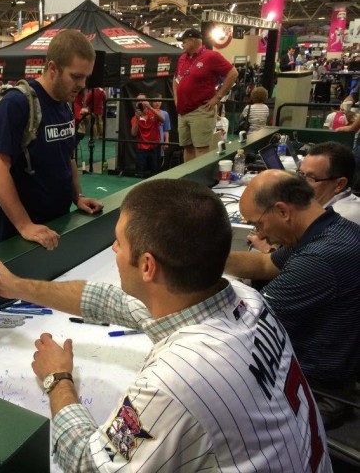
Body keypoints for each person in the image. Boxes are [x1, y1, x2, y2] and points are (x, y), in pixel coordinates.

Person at [0, 179, 332, 473]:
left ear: (147, 266)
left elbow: (90, 464)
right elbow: (109, 301)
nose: (113, 248)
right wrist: (16, 286)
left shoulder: (178, 379)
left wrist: (57, 380)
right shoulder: (243, 298)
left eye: (120, 242)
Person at [225, 170, 360, 428]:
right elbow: (266, 263)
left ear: (283, 211)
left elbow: (244, 326)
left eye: (257, 224)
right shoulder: (333, 229)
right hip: (323, 368)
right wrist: (201, 262)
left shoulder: (321, 259)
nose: (260, 236)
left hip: (313, 389)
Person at [0, 30, 103, 250]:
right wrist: (25, 224)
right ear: (53, 68)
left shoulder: (64, 104)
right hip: (15, 236)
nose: (82, 84)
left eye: (85, 77)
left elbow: (67, 157)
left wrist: (77, 196)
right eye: (76, 76)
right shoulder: (17, 103)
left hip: (53, 227)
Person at [173, 28, 238, 161]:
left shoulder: (211, 56)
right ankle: (188, 179)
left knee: (201, 148)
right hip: (183, 111)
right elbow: (175, 79)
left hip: (201, 110)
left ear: (193, 40)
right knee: (187, 147)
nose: (182, 44)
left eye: (184, 41)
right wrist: (176, 99)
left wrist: (218, 97)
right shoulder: (182, 58)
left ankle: (198, 181)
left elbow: (233, 73)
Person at [130, 93, 164, 178]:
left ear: (147, 101)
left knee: (155, 174)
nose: (141, 102)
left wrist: (150, 107)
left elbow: (163, 119)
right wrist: (137, 119)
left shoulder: (155, 112)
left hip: (154, 148)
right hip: (141, 150)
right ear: (136, 104)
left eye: (143, 100)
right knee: (140, 174)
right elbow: (133, 133)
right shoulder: (134, 118)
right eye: (139, 101)